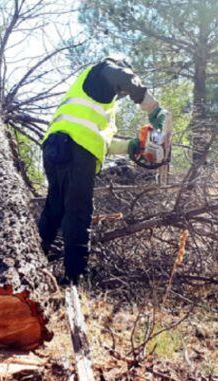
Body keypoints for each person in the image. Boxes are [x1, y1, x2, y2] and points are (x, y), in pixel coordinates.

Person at [38, 56, 172, 284]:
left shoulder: (94, 101)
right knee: (78, 211)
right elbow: (123, 77)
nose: (120, 93)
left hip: (54, 147)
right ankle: (75, 276)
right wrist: (153, 108)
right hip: (77, 149)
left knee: (55, 208)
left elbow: (101, 144)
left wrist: (132, 147)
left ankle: (32, 261)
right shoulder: (103, 71)